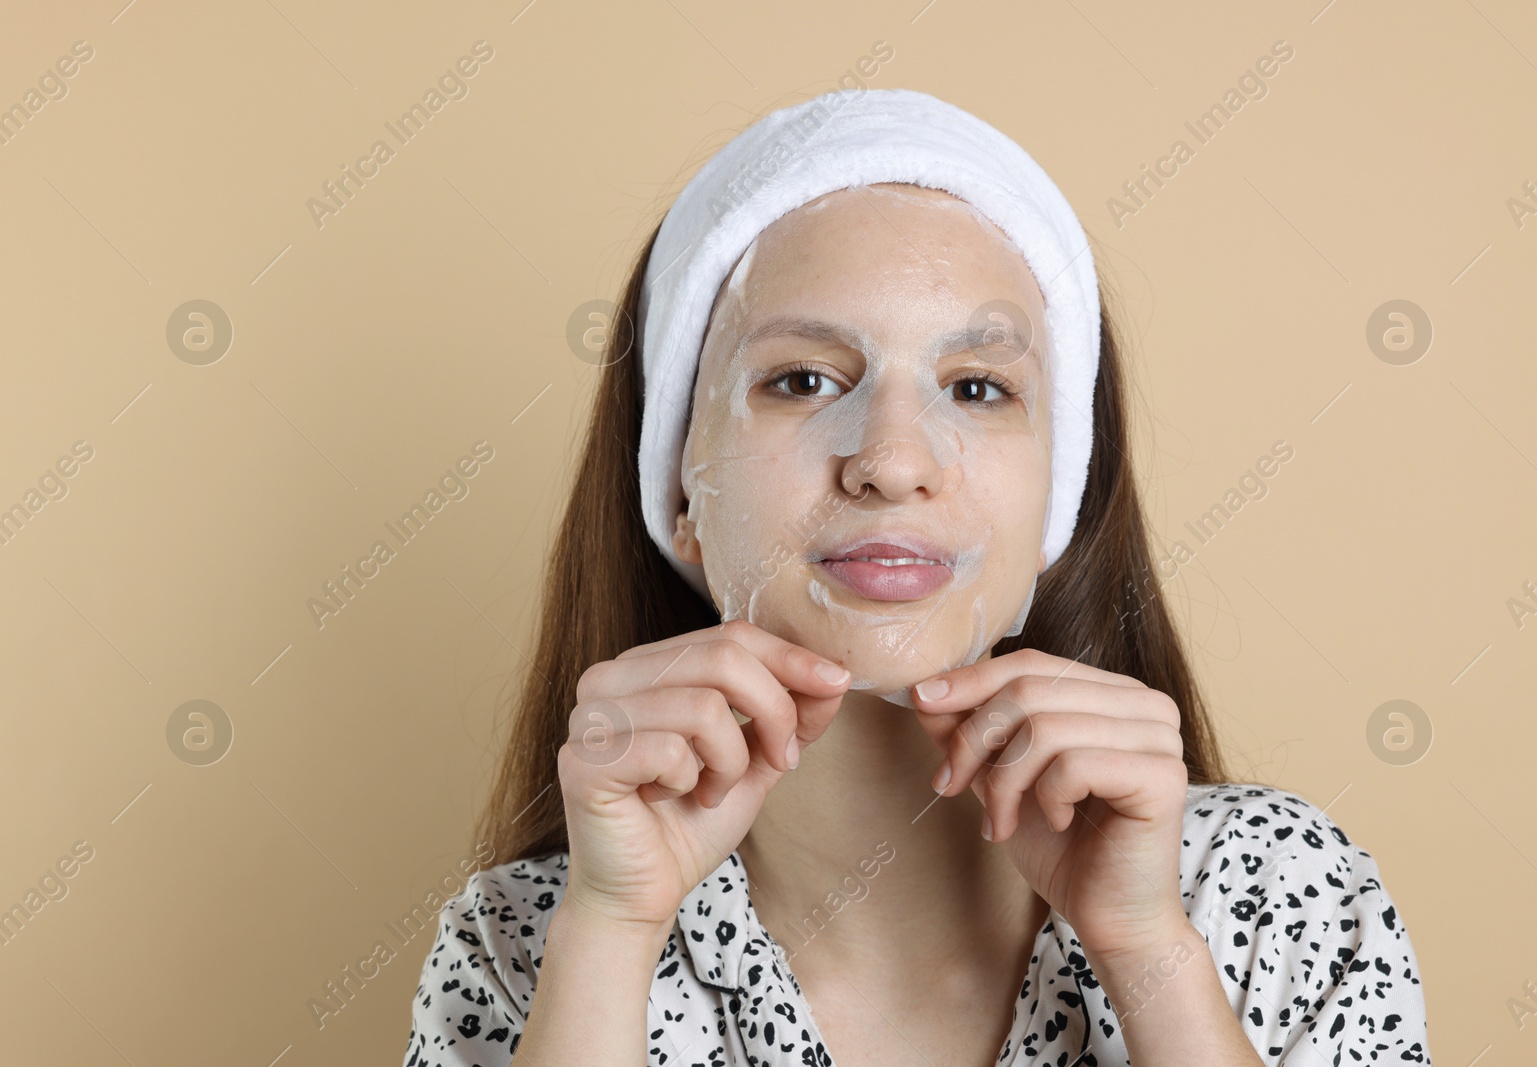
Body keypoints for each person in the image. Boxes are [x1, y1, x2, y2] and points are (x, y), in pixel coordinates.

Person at [402, 89, 1431, 1066]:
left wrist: (1144, 946)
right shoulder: (528, 940)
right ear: (676, 484)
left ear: (1056, 501)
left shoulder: (1276, 888)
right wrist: (612, 928)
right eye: (801, 380)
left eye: (977, 387)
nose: (892, 461)